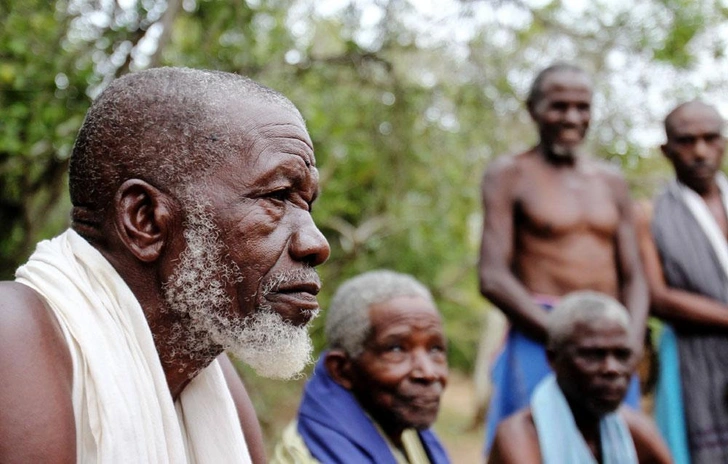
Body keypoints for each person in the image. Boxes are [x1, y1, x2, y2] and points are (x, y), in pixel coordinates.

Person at [0, 67, 330, 463]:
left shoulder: (210, 372)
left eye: (307, 205)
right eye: (277, 197)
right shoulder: (12, 334)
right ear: (146, 220)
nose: (316, 244)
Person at [478, 62, 648, 450]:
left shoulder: (611, 181)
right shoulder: (510, 174)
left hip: (611, 342)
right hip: (542, 337)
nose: (572, 118)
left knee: (615, 445)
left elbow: (635, 276)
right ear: (533, 108)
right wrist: (564, 339)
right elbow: (492, 277)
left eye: (582, 107)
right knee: (533, 445)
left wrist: (630, 343)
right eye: (559, 106)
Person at [272, 270, 451, 464]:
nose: (428, 372)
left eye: (435, 349)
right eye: (397, 349)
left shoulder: (403, 428)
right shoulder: (306, 455)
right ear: (341, 370)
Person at [635, 100, 728, 463]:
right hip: (689, 359)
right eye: (686, 141)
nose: (700, 152)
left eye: (710, 139)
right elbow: (658, 298)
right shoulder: (650, 215)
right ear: (666, 149)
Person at [488, 291, 672, 464]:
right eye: (593, 355)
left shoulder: (635, 430)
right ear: (553, 358)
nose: (612, 369)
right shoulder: (520, 436)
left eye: (622, 355)